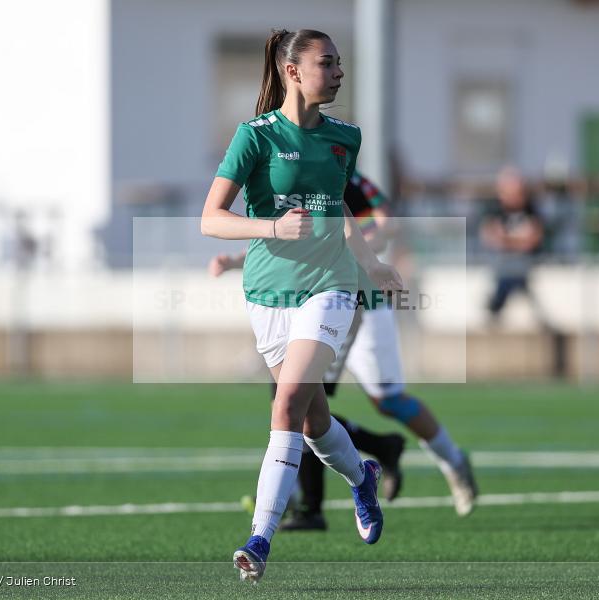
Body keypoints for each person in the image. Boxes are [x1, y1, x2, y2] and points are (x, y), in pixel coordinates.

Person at [200, 29, 403, 583]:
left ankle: (259, 540)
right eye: (327, 63)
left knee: (286, 402)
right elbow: (210, 219)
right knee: (313, 423)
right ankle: (362, 475)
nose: (338, 73)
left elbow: (335, 205)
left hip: (330, 286)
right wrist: (271, 227)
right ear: (293, 71)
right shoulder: (254, 136)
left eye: (340, 64)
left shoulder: (345, 137)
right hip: (268, 292)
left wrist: (371, 264)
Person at [211, 170, 479, 526]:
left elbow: (389, 225)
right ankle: (297, 497)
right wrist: (234, 260)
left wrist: (363, 242)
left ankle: (452, 462)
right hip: (321, 302)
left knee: (388, 400)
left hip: (366, 302)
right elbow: (283, 240)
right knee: (300, 398)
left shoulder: (342, 175)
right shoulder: (291, 177)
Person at [479, 167, 550, 328]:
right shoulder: (493, 209)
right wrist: (517, 240)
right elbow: (490, 236)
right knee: (508, 274)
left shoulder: (531, 210)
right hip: (502, 265)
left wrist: (507, 240)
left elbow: (533, 238)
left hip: (526, 263)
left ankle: (495, 306)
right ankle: (499, 306)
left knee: (513, 274)